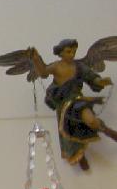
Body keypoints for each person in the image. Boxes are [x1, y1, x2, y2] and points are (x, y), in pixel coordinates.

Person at [29, 38, 117, 169]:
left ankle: (107, 131)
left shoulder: (79, 66)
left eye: (74, 51)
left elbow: (91, 76)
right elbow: (43, 72)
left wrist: (100, 81)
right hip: (64, 104)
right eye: (68, 51)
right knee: (69, 132)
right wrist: (36, 59)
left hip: (78, 100)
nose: (72, 54)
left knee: (91, 120)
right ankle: (80, 156)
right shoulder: (56, 66)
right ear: (61, 53)